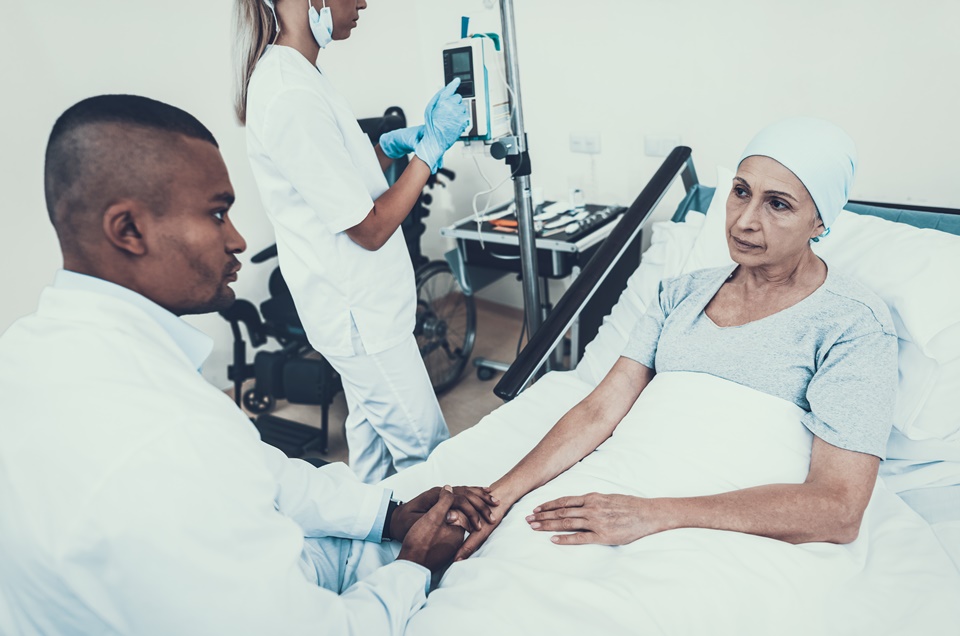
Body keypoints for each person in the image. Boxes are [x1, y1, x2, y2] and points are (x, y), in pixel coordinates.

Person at [0, 94, 497, 635]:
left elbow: (260, 469)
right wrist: (413, 569)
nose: (237, 239)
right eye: (217, 213)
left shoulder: (35, 348)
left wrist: (383, 513)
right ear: (129, 230)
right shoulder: (168, 436)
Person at [454, 117, 899, 559]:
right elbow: (600, 409)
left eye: (777, 204)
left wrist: (654, 514)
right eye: (741, 191)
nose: (744, 221)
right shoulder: (681, 293)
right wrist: (496, 499)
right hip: (621, 487)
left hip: (718, 532)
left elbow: (838, 509)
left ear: (820, 222)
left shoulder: (853, 324)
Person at [234, 0, 469, 483]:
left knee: (373, 459)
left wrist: (386, 149)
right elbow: (369, 227)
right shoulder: (289, 91)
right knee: (429, 459)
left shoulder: (302, 74)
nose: (363, 2)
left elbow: (336, 184)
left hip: (366, 310)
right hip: (360, 315)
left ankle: (367, 555)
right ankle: (444, 557)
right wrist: (428, 153)